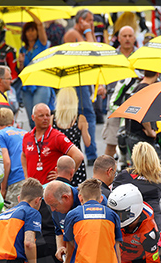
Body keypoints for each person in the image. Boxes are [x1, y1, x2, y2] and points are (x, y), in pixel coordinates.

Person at [63, 9, 98, 165]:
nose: (91, 23)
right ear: (80, 20)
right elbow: (92, 50)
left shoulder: (79, 34)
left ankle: (89, 152)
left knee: (85, 115)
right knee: (86, 115)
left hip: (81, 79)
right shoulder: (72, 34)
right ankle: (90, 154)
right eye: (89, 20)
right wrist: (89, 31)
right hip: (75, 81)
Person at [21, 103, 84, 185]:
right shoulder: (27, 137)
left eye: (47, 115)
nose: (45, 118)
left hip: (52, 189)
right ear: (33, 117)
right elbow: (23, 155)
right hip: (33, 189)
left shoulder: (57, 137)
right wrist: (26, 176)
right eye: (41, 116)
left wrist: (64, 176)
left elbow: (78, 156)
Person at [101, 25, 139, 158]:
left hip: (136, 105)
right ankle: (104, 176)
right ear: (118, 38)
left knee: (137, 144)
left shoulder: (141, 56)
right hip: (115, 105)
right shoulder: (111, 56)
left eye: (130, 36)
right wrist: (101, 86)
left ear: (134, 38)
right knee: (111, 143)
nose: (127, 39)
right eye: (124, 36)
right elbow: (102, 75)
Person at [18, 10, 51, 129]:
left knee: (41, 117)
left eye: (33, 30)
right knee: (32, 119)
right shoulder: (23, 49)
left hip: (41, 84)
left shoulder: (42, 44)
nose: (30, 33)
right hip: (27, 86)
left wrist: (27, 10)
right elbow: (21, 71)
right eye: (28, 31)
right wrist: (20, 63)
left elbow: (40, 24)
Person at [53, 87, 90, 186]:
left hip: (58, 162)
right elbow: (87, 143)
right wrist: (86, 127)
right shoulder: (79, 119)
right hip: (76, 164)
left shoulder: (53, 119)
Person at [0, 108, 26, 208]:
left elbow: (6, 162)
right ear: (12, 121)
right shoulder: (25, 133)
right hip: (29, 177)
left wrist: (3, 189)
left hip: (15, 180)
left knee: (14, 216)